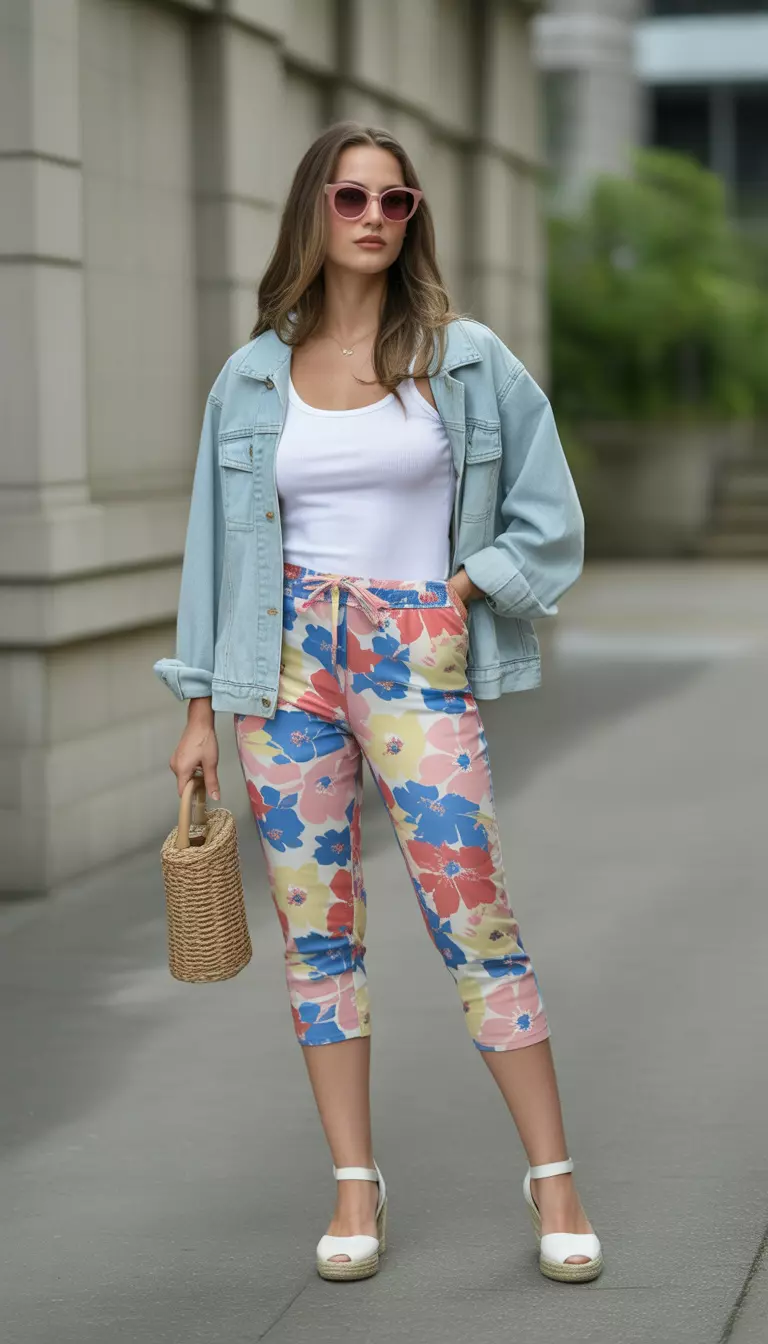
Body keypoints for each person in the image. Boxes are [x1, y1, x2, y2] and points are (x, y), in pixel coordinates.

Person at [154, 121, 603, 1285]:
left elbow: (547, 516)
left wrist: (455, 592)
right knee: (318, 930)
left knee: (475, 911)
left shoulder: (465, 358)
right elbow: (213, 551)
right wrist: (200, 709)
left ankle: (554, 1180)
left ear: (413, 222)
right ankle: (356, 1186)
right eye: (350, 197)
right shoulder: (252, 376)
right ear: (315, 210)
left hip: (413, 653)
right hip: (281, 662)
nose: (370, 217)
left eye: (394, 203)